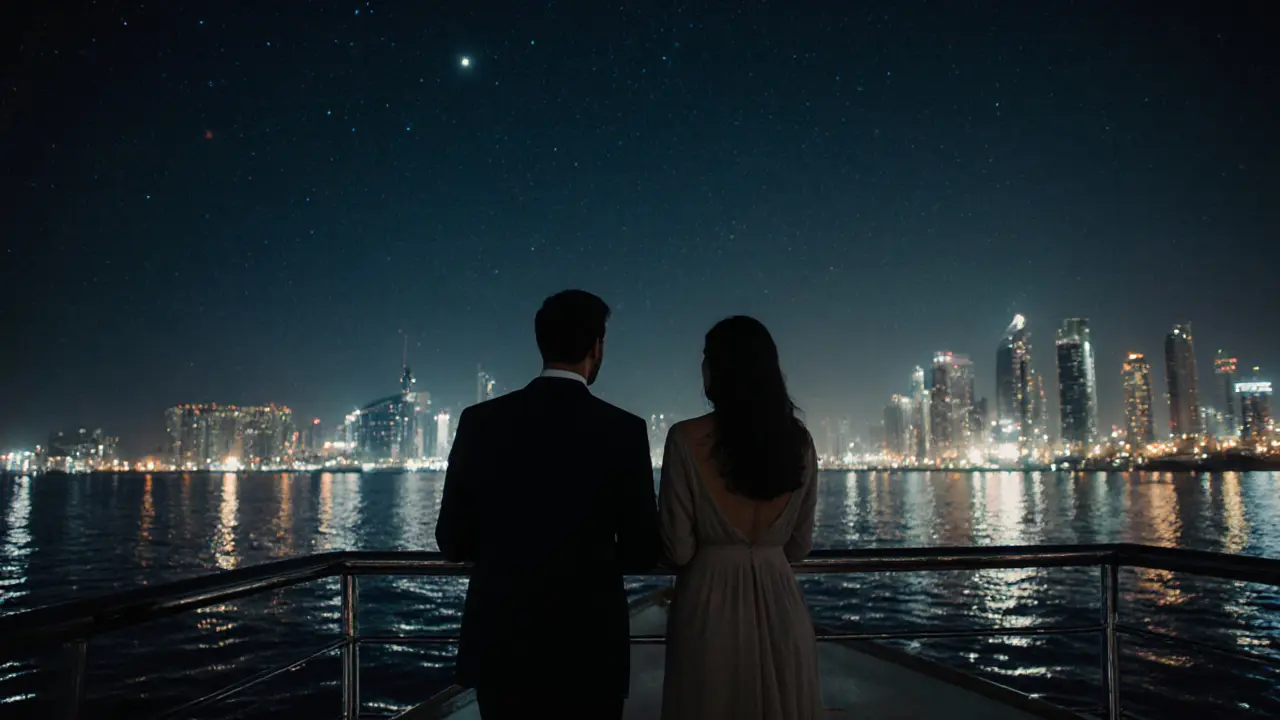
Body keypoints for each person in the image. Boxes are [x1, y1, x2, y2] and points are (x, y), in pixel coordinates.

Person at [435, 289, 659, 720]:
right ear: (597, 347)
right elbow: (641, 550)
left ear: (541, 342)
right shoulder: (624, 431)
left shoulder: (481, 423)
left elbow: (452, 540)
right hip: (590, 645)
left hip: (503, 643)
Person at [658, 315, 822, 720]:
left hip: (708, 608)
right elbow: (799, 548)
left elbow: (677, 549)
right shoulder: (799, 442)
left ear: (717, 368)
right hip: (781, 603)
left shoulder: (684, 438)